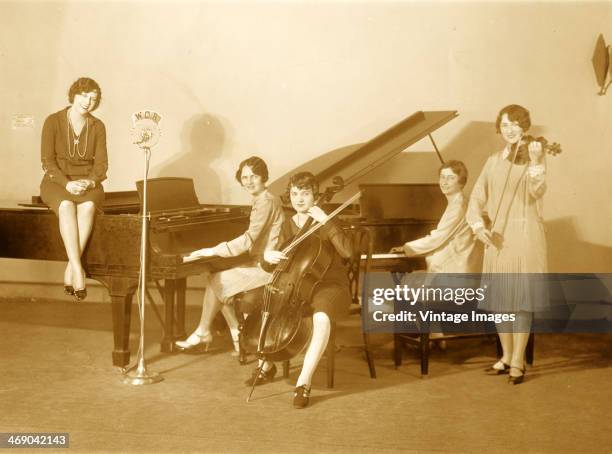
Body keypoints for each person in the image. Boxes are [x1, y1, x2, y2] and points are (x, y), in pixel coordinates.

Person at [246, 171, 353, 409]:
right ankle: (267, 363)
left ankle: (303, 382)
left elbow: (348, 252)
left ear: (315, 195)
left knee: (321, 318)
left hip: (329, 285)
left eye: (305, 194)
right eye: (294, 194)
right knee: (254, 302)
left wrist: (327, 222)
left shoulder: (326, 220)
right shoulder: (287, 223)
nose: (299, 199)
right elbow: (270, 262)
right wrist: (268, 256)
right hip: (295, 285)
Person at [466, 104, 548, 384]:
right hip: (498, 237)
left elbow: (537, 192)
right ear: (499, 129)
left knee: (521, 301)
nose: (510, 130)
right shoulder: (492, 160)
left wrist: (536, 162)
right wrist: (479, 226)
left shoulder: (533, 157)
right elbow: (476, 198)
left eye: (515, 124)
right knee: (501, 300)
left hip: (524, 235)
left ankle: (518, 360)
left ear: (524, 126)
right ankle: (505, 355)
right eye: (504, 125)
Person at [175, 156, 285, 355]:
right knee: (216, 279)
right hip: (258, 262)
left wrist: (212, 250)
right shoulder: (263, 199)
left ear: (263, 177)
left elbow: (248, 239)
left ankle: (207, 332)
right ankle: (232, 332)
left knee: (217, 281)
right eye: (244, 177)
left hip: (268, 269)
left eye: (254, 176)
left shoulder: (266, 202)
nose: (249, 181)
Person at [390, 160, 482, 347]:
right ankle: (433, 332)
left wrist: (406, 247)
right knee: (409, 282)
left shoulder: (459, 205)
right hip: (455, 264)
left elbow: (437, 238)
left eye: (450, 178)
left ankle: (416, 336)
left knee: (402, 287)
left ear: (461, 182)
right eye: (442, 177)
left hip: (458, 270)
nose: (444, 182)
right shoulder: (457, 202)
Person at [40, 77, 107, 301]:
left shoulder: (97, 126)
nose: (88, 102)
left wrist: (89, 182)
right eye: (84, 96)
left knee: (88, 206)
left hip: (88, 183)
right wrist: (67, 183)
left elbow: (101, 166)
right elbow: (48, 161)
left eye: (93, 98)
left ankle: (71, 267)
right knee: (67, 205)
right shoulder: (53, 121)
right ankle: (78, 270)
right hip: (57, 182)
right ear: (73, 95)